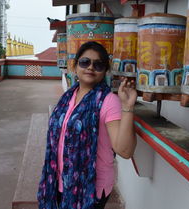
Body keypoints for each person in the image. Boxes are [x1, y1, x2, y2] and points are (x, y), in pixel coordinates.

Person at [38, 41, 137, 209]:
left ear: (105, 71)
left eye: (98, 64)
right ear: (75, 66)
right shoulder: (69, 96)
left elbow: (124, 151)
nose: (91, 67)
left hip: (90, 188)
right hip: (60, 181)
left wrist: (127, 107)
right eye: (85, 62)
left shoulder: (108, 101)